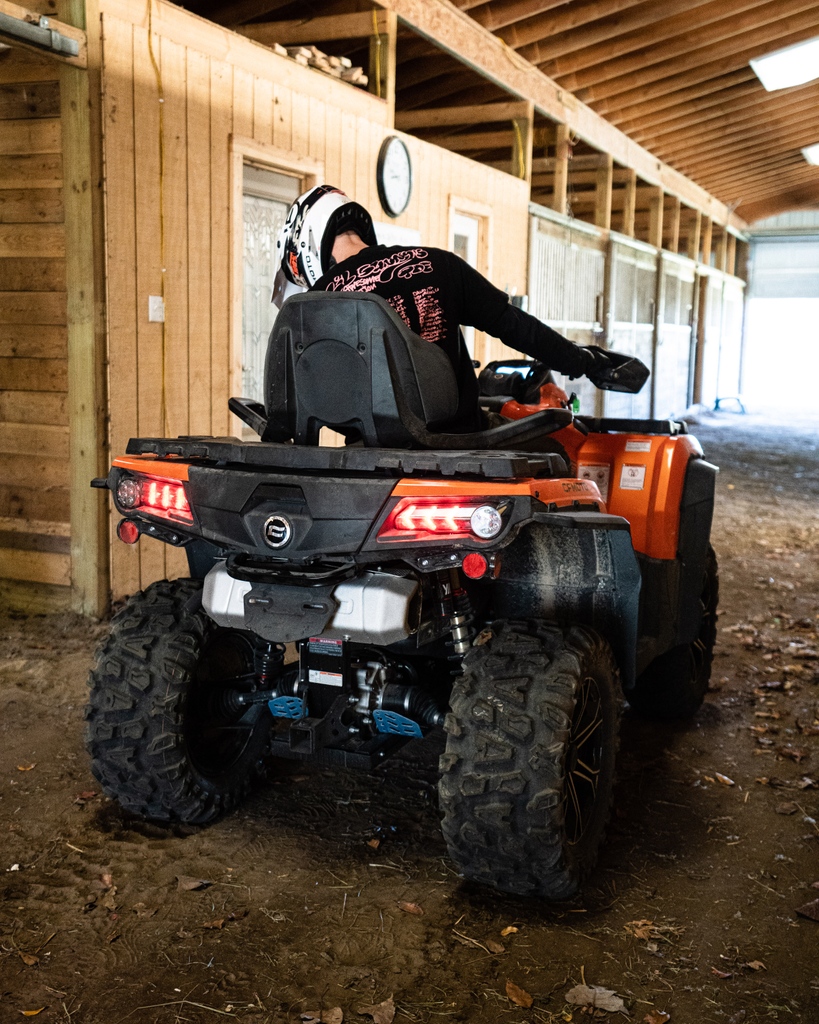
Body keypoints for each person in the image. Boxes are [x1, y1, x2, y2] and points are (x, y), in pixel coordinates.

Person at [275, 184, 619, 433]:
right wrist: (586, 362)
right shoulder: (437, 264)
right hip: (462, 447)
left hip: (368, 462)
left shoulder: (313, 307)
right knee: (561, 450)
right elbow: (516, 327)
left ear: (304, 244)